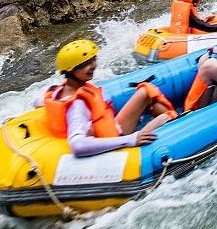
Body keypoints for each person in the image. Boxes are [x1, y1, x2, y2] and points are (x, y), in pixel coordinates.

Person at [43, 40, 176, 157]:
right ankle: (184, 121)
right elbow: (78, 146)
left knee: (145, 91)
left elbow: (38, 102)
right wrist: (131, 139)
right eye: (85, 65)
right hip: (115, 141)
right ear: (70, 71)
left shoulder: (58, 90)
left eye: (93, 60)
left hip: (109, 128)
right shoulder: (77, 105)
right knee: (168, 117)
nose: (93, 66)